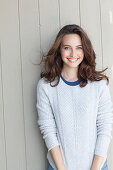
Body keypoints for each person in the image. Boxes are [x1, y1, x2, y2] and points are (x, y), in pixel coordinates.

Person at [36, 24, 113, 170]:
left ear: (85, 50)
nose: (73, 53)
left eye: (79, 47)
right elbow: (48, 130)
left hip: (97, 167)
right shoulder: (45, 86)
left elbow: (105, 128)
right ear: (59, 50)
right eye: (67, 47)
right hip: (59, 167)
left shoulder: (99, 85)